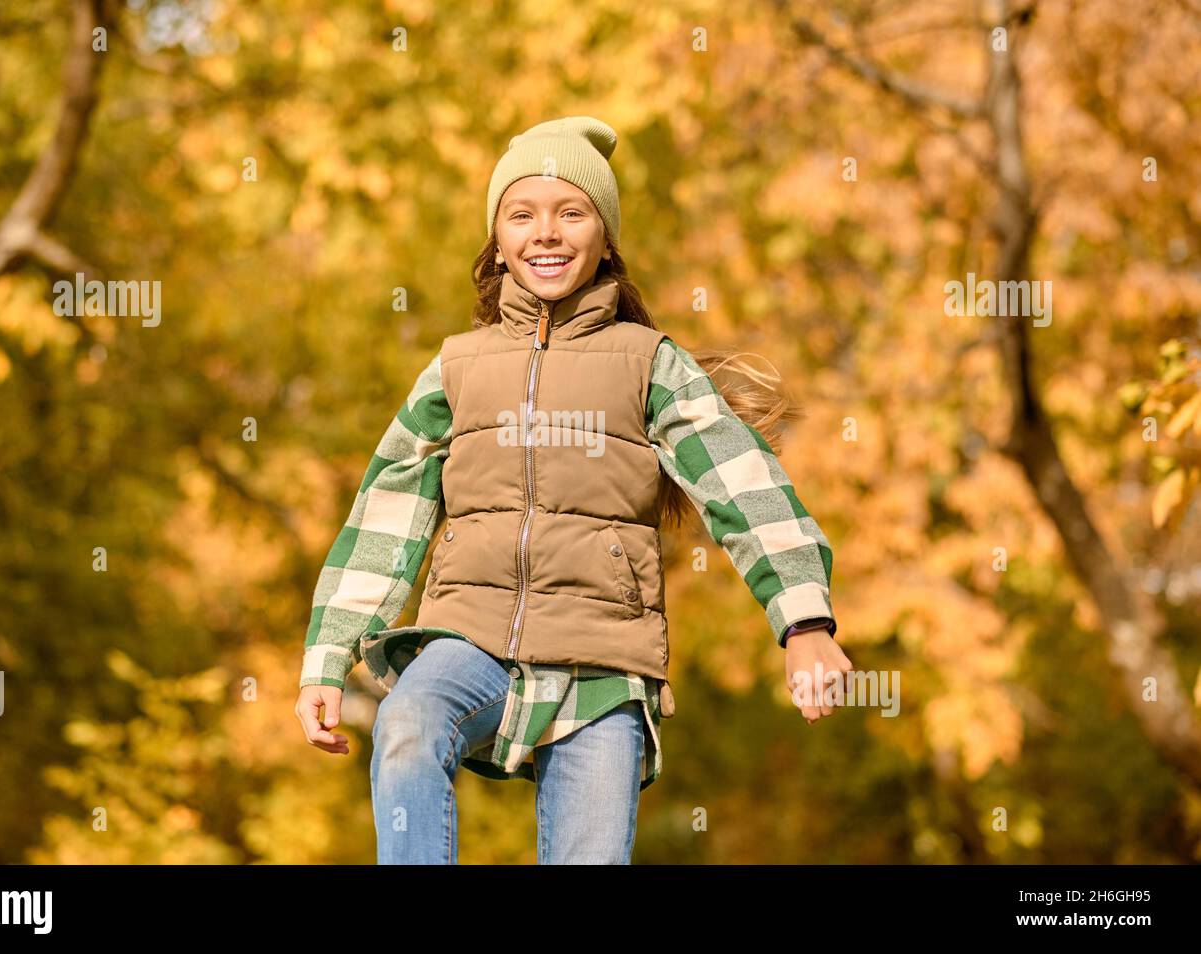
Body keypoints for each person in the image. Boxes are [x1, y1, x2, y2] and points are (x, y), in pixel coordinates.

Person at [294, 116, 851, 864]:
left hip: (604, 664)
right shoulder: (459, 368)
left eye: (572, 212)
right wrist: (327, 660)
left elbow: (741, 481)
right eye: (522, 214)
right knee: (408, 723)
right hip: (472, 637)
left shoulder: (648, 362)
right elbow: (385, 518)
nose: (546, 233)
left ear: (605, 236)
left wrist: (805, 623)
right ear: (496, 240)